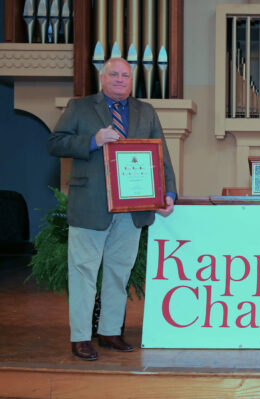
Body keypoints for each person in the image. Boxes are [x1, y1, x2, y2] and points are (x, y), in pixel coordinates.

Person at [48, 57, 177, 361]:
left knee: (119, 273)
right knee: (83, 273)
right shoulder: (79, 107)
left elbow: (162, 155)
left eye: (126, 75)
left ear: (132, 80)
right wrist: (93, 140)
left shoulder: (146, 111)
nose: (120, 79)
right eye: (114, 74)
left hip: (132, 208)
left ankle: (109, 332)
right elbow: (55, 143)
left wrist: (167, 191)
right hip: (90, 206)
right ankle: (80, 337)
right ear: (102, 77)